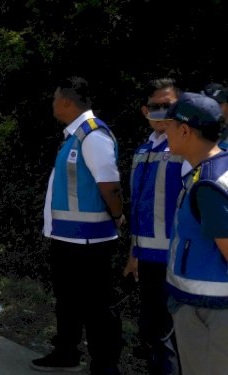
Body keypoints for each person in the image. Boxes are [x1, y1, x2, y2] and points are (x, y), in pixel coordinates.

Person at [32, 76, 123, 374]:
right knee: (68, 301)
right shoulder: (74, 135)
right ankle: (66, 352)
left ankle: (105, 364)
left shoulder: (93, 135)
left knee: (97, 307)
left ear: (67, 101)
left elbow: (110, 186)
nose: (53, 103)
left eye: (55, 98)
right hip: (68, 238)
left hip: (90, 242)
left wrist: (118, 216)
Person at [162, 92, 228, 375]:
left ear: (185, 130)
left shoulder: (210, 185)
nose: (165, 134)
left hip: (210, 313)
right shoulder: (212, 170)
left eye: (169, 127)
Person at [123, 78, 182, 375]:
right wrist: (133, 254)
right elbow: (139, 207)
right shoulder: (144, 148)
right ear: (145, 110)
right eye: (155, 106)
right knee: (151, 330)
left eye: (168, 105)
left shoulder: (187, 149)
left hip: (176, 259)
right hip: (147, 258)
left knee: (171, 338)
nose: (162, 111)